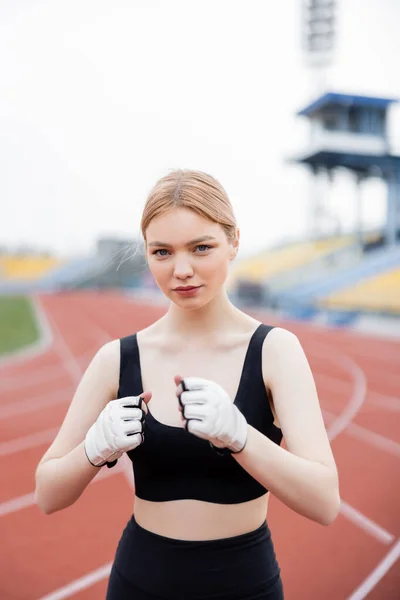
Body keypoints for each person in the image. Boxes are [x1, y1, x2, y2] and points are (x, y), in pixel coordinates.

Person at [35, 169, 340, 599]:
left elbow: (325, 503)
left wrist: (241, 437)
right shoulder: (117, 360)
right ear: (146, 253)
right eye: (162, 252)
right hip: (139, 581)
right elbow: (48, 494)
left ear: (234, 241)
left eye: (201, 248)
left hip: (245, 584)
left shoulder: (275, 351)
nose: (182, 270)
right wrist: (93, 450)